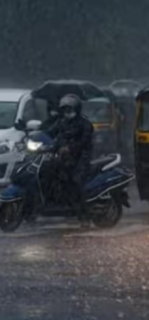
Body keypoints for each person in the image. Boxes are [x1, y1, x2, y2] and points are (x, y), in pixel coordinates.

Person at [53, 95, 94, 225]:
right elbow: (49, 132)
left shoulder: (85, 124)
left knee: (76, 182)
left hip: (81, 157)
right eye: (64, 109)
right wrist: (32, 133)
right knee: (49, 175)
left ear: (77, 108)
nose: (67, 111)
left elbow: (84, 141)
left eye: (69, 108)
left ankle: (84, 215)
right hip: (63, 157)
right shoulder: (61, 122)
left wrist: (70, 148)